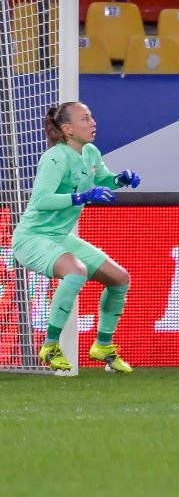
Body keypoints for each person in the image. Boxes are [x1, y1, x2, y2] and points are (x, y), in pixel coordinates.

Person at [13, 102, 140, 373]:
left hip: (59, 236)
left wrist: (121, 179)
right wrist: (80, 197)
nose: (93, 122)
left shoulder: (90, 152)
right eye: (85, 118)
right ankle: (50, 344)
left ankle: (103, 345)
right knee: (76, 271)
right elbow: (41, 200)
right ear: (68, 129)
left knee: (119, 279)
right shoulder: (55, 157)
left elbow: (103, 179)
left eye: (91, 116)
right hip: (32, 238)